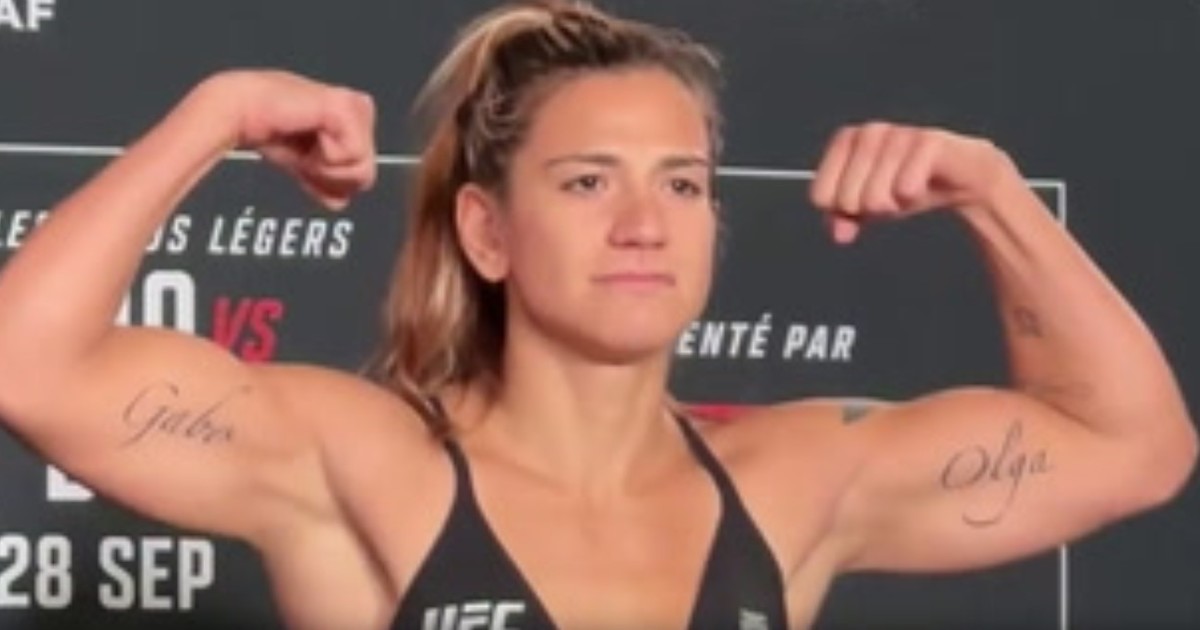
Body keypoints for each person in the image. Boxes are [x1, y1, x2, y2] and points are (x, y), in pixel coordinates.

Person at [0, 1, 1194, 628]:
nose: (644, 223)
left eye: (680, 184)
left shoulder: (794, 482)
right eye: (586, 183)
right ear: (487, 233)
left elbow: (1135, 448)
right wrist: (213, 115)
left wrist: (994, 196)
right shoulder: (363, 463)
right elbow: (27, 367)